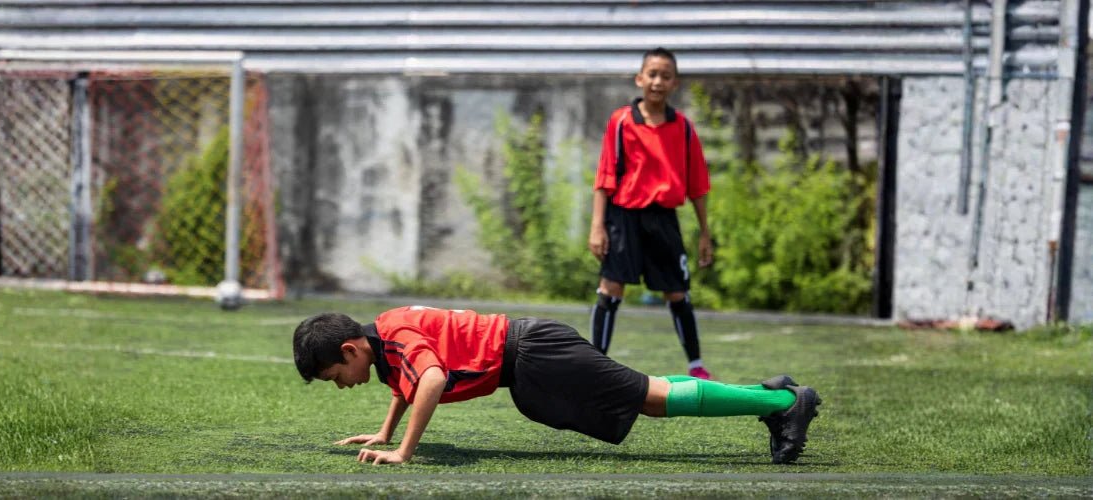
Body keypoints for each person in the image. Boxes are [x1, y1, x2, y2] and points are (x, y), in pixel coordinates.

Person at [292, 305, 821, 466]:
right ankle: (770, 397)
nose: (341, 385)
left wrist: (404, 452)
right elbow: (404, 382)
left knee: (651, 397)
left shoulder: (395, 334)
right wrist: (383, 433)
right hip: (529, 365)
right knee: (651, 396)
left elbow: (428, 378)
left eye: (335, 377)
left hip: (537, 353)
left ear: (349, 350)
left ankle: (783, 400)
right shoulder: (381, 336)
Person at [588, 47, 714, 379]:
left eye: (666, 76)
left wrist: (704, 233)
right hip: (623, 217)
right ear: (640, 79)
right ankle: (592, 367)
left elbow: (698, 184)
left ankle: (696, 365)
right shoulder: (621, 121)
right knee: (611, 287)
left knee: (677, 292)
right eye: (652, 74)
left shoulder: (683, 128)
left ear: (675, 83)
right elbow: (604, 177)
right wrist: (597, 226)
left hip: (664, 220)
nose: (658, 81)